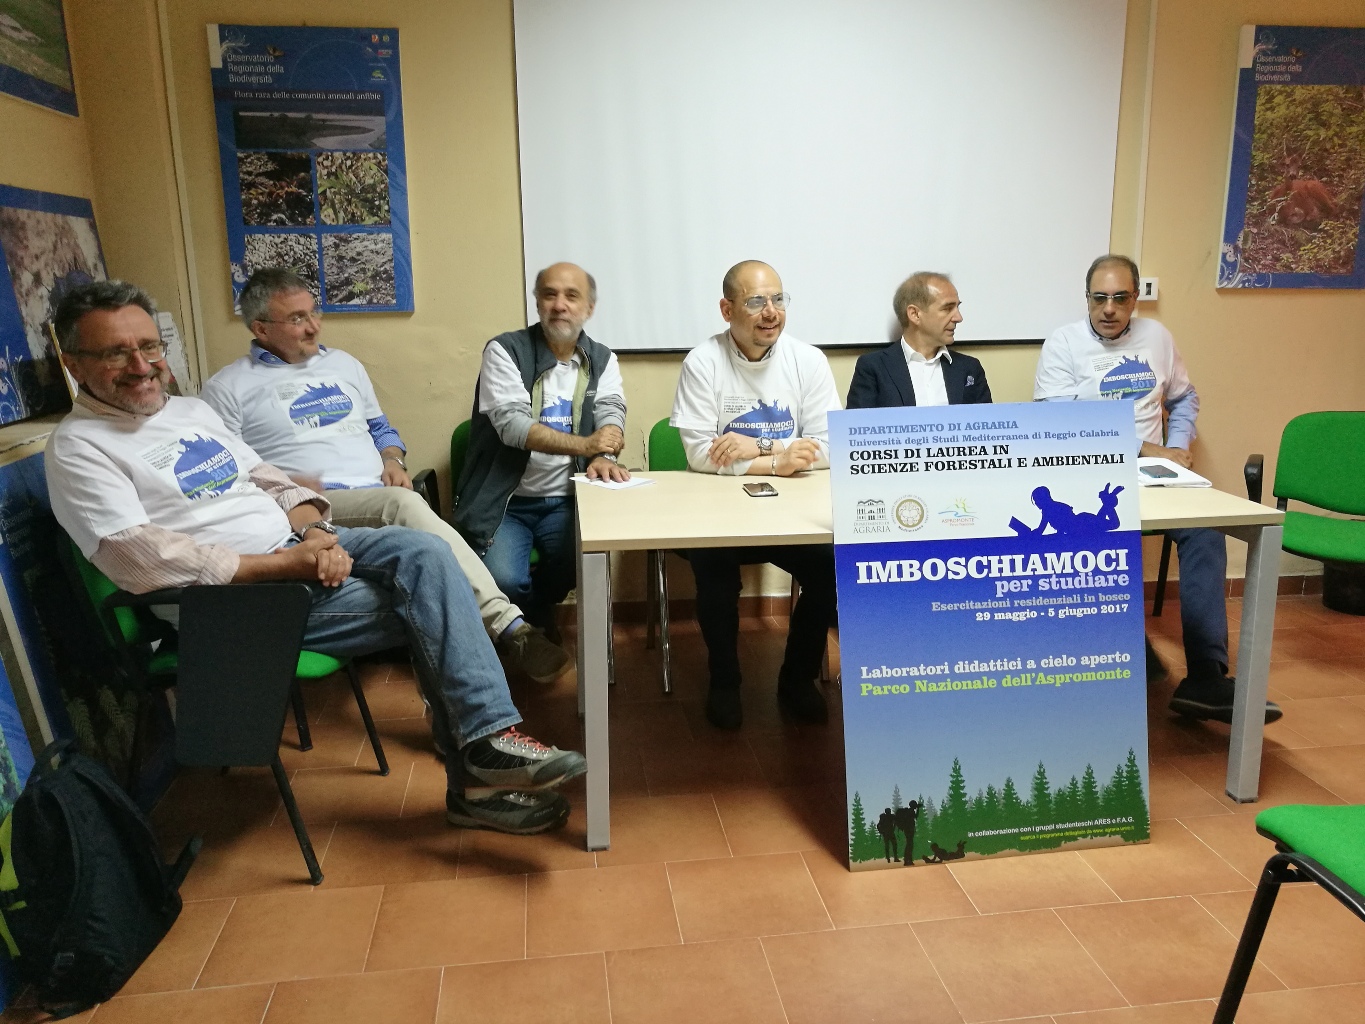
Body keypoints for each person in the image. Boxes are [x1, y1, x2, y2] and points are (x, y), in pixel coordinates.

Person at [46, 279, 588, 835]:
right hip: (228, 602)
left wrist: (315, 536)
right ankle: (483, 759)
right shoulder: (79, 448)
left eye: (149, 346)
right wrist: (289, 565)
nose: (142, 366)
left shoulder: (186, 412)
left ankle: (483, 756)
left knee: (428, 553)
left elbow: (271, 480)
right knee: (436, 600)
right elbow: (141, 559)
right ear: (74, 363)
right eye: (116, 353)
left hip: (292, 551)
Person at [201, 268, 568, 683]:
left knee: (419, 539)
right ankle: (509, 626)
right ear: (261, 328)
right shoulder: (228, 388)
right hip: (313, 506)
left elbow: (381, 429)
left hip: (375, 493)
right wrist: (288, 486)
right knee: (403, 505)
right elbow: (229, 475)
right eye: (298, 319)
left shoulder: (344, 365)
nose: (314, 326)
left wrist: (393, 460)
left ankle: (471, 669)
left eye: (314, 312)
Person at [1033, 254, 1281, 725]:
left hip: (1155, 477)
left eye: (1120, 298)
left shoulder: (1158, 338)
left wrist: (1178, 448)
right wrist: (1148, 448)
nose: (1109, 308)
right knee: (1096, 539)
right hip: (1086, 477)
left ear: (1135, 299)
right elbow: (1059, 424)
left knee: (1205, 532)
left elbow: (1185, 398)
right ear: (1086, 298)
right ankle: (1131, 649)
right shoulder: (1063, 344)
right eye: (1099, 298)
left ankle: (1206, 677)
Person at [670, 260, 840, 729]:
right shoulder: (703, 361)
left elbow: (830, 445)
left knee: (830, 568)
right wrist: (781, 460)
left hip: (790, 515)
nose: (771, 312)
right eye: (756, 302)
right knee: (715, 574)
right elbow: (700, 454)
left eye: (778, 299)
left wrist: (761, 448)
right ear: (727, 310)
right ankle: (725, 682)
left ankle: (797, 680)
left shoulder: (808, 360)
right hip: (720, 514)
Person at [455, 263, 629, 638]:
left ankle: (536, 613)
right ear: (537, 303)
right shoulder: (504, 350)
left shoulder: (603, 358)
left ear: (589, 307)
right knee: (504, 581)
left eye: (571, 296)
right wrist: (587, 444)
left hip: (569, 500)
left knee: (578, 567)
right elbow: (513, 427)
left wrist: (606, 450)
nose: (559, 305)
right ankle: (529, 622)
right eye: (550, 294)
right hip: (507, 503)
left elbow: (611, 409)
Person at [846, 272, 992, 409]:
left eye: (957, 308)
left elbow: (986, 424)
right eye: (947, 309)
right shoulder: (874, 368)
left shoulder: (969, 368)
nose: (958, 318)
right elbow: (858, 425)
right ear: (915, 314)